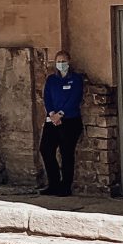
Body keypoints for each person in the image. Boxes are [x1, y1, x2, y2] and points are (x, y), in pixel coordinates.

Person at [40, 50, 85, 196]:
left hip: (70, 120)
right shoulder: (52, 80)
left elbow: (74, 98)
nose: (61, 64)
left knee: (66, 153)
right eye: (58, 61)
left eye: (63, 61)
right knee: (46, 149)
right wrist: (52, 113)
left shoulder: (76, 79)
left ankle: (65, 187)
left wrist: (61, 114)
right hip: (53, 120)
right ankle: (53, 183)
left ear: (69, 62)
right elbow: (47, 97)